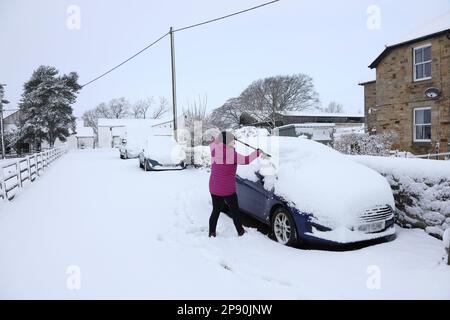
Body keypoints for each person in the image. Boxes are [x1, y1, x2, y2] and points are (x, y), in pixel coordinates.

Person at [208, 131, 262, 237]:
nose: (234, 143)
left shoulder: (214, 149)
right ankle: (240, 231)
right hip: (227, 190)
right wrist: (257, 153)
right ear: (228, 142)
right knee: (235, 211)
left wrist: (219, 138)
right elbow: (246, 160)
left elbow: (214, 142)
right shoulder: (232, 154)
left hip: (214, 187)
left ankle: (212, 233)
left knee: (216, 210)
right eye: (233, 141)